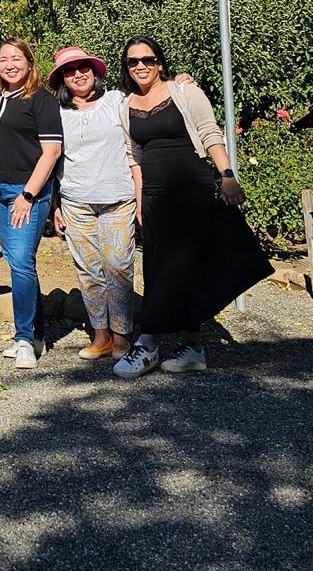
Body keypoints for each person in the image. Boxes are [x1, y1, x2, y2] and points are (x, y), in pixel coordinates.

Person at [112, 36, 273, 378]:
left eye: (148, 59)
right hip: (155, 195)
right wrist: (141, 200)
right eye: (132, 62)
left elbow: (210, 133)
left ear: (160, 63)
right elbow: (134, 157)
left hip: (192, 188)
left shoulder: (185, 92)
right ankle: (182, 347)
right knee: (158, 267)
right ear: (126, 68)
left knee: (188, 266)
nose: (141, 66)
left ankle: (155, 342)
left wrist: (227, 175)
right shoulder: (125, 105)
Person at [50, 45, 139, 362]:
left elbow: (150, 95)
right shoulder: (57, 114)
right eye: (70, 71)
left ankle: (122, 336)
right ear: (63, 79)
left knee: (118, 266)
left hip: (117, 199)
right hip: (76, 202)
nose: (78, 74)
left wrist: (179, 82)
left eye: (83, 67)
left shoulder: (116, 101)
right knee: (88, 271)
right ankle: (100, 336)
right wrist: (55, 205)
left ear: (94, 71)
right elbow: (53, 161)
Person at [0, 40, 64, 370]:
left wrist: (28, 195)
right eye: (3, 59)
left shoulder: (41, 100)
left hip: (25, 191)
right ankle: (37, 334)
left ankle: (24, 339)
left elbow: (52, 152)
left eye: (17, 58)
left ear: (30, 64)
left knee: (20, 263)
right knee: (21, 263)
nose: (9, 64)